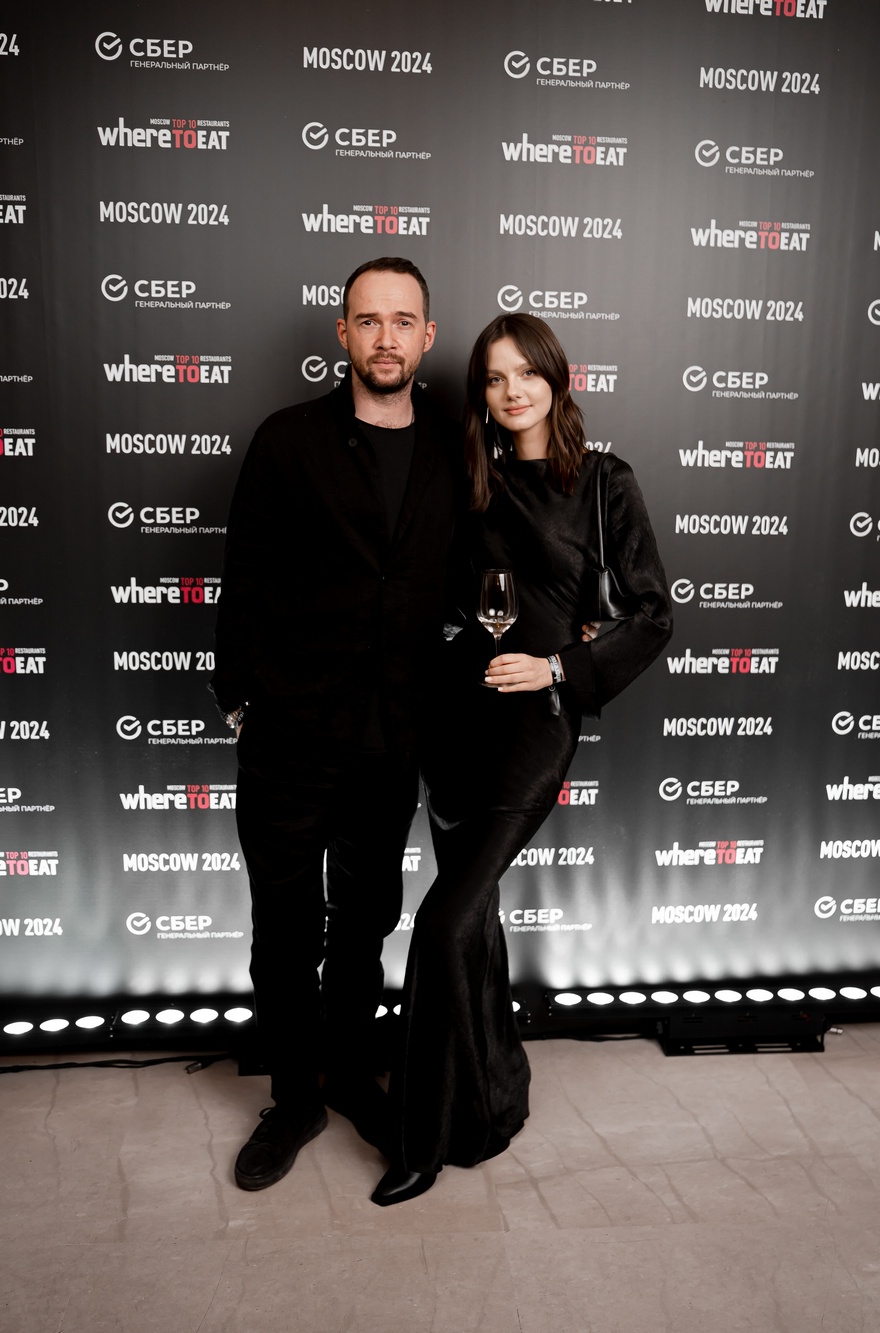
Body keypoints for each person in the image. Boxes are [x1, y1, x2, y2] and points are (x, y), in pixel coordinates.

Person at [371, 313, 673, 1206]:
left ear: (556, 378)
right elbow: (441, 599)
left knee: (442, 921)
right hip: (455, 721)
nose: (511, 391)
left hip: (536, 722)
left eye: (526, 374)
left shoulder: (605, 481)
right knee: (477, 923)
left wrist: (560, 666)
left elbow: (653, 614)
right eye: (494, 378)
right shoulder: (472, 480)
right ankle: (488, 1100)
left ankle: (420, 1138)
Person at [210, 257, 463, 1191]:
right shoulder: (288, 439)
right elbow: (243, 576)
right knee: (285, 931)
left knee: (366, 923)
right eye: (369, 320)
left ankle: (352, 1074)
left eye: (403, 321)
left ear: (427, 337)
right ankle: (293, 1098)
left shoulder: (453, 449)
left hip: (393, 739)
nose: (385, 338)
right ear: (343, 334)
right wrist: (241, 701)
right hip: (289, 734)